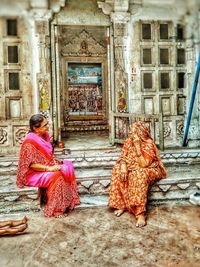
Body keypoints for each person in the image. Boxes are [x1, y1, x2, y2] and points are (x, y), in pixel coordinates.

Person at [16, 114, 80, 218]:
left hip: (46, 166)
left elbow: (48, 155)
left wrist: (53, 163)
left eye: (47, 124)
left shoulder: (44, 135)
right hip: (34, 173)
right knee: (57, 176)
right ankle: (55, 209)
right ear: (35, 128)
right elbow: (31, 165)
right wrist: (49, 168)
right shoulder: (29, 142)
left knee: (67, 166)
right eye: (45, 125)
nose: (48, 127)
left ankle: (68, 201)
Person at [109, 121, 167, 227]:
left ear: (140, 133)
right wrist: (123, 166)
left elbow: (144, 164)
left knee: (139, 175)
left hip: (149, 168)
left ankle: (140, 213)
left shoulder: (148, 143)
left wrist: (137, 147)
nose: (130, 133)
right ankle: (123, 205)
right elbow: (123, 156)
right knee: (117, 170)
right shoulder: (129, 141)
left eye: (133, 131)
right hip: (134, 166)